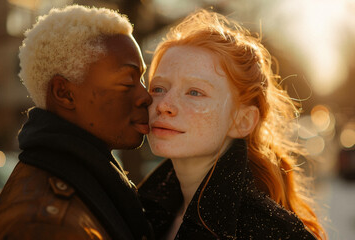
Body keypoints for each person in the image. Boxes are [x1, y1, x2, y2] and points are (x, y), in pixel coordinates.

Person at [138, 9, 327, 240]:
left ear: (242, 121)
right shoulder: (139, 209)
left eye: (195, 92)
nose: (164, 104)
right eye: (159, 88)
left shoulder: (272, 232)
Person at [0, 5, 153, 240]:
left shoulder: (87, 181)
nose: (146, 96)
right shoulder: (46, 226)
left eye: (141, 79)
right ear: (64, 93)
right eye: (127, 81)